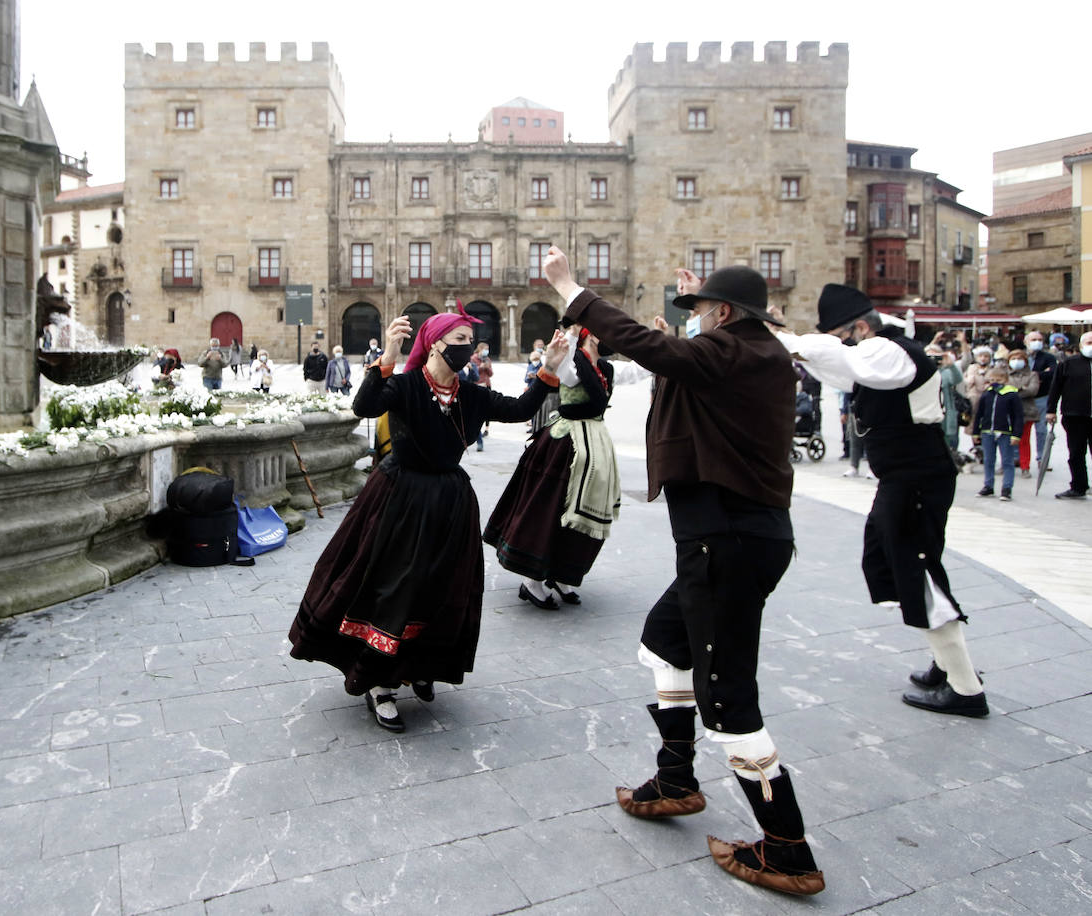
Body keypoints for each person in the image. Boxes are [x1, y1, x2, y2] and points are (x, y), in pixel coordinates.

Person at [543, 247, 824, 897]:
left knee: (728, 700)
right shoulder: (750, 352)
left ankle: (787, 847)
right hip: (729, 542)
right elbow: (685, 365)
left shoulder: (733, 353)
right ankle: (675, 778)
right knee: (665, 642)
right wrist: (705, 301)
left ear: (724, 315)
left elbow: (649, 347)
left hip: (724, 545)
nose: (691, 321)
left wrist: (569, 288)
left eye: (699, 312)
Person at [288, 308, 566, 733]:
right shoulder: (405, 386)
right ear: (434, 342)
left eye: (470, 342)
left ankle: (419, 665)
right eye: (458, 340)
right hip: (399, 502)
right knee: (394, 587)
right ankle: (379, 683)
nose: (467, 349)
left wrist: (548, 368)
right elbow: (364, 406)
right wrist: (390, 355)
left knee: (441, 587)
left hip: (450, 505)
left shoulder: (471, 395)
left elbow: (521, 408)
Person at [774, 284, 988, 721]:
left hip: (916, 478)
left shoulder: (888, 351)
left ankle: (965, 688)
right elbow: (837, 368)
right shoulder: (875, 354)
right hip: (908, 478)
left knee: (919, 571)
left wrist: (787, 338)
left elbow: (845, 360)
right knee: (896, 562)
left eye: (841, 334)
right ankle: (946, 664)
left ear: (861, 326)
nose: (839, 343)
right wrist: (783, 339)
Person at [485, 326, 620, 609]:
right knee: (547, 508)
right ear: (591, 335)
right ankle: (531, 580)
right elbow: (565, 366)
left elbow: (638, 370)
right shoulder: (574, 365)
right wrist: (569, 336)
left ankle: (563, 574)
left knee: (583, 513)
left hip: (594, 446)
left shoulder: (605, 368)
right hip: (564, 446)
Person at [1046, 330, 1092, 499]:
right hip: (1074, 415)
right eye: (1088, 343)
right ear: (1080, 346)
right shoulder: (1068, 363)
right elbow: (1055, 387)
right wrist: (1051, 410)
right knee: (1076, 453)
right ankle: (1078, 487)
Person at [974, 364, 1023, 500]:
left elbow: (1018, 416)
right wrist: (976, 432)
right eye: (991, 379)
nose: (994, 382)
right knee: (989, 460)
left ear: (1005, 379)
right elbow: (979, 414)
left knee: (1007, 461)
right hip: (987, 431)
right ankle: (988, 485)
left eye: (998, 379)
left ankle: (1007, 488)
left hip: (1005, 432)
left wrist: (1016, 434)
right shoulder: (986, 394)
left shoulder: (1012, 395)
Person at [1025, 330, 1059, 472]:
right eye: (1033, 339)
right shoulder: (1020, 356)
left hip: (1042, 397)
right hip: (1024, 399)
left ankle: (1041, 459)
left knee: (1041, 431)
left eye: (1039, 339)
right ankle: (1018, 458)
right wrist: (1040, 374)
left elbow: (1053, 372)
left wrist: (1033, 375)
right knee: (1021, 431)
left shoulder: (1048, 357)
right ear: (1026, 341)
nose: (1037, 342)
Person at [1003, 349, 1041, 478]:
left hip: (1027, 412)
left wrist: (1013, 392)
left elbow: (1033, 390)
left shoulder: (1032, 375)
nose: (1016, 361)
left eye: (1020, 359)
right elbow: (1001, 388)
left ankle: (1025, 466)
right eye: (1013, 359)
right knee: (1006, 440)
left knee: (1024, 440)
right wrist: (1021, 389)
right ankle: (1005, 464)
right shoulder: (1004, 374)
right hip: (1007, 412)